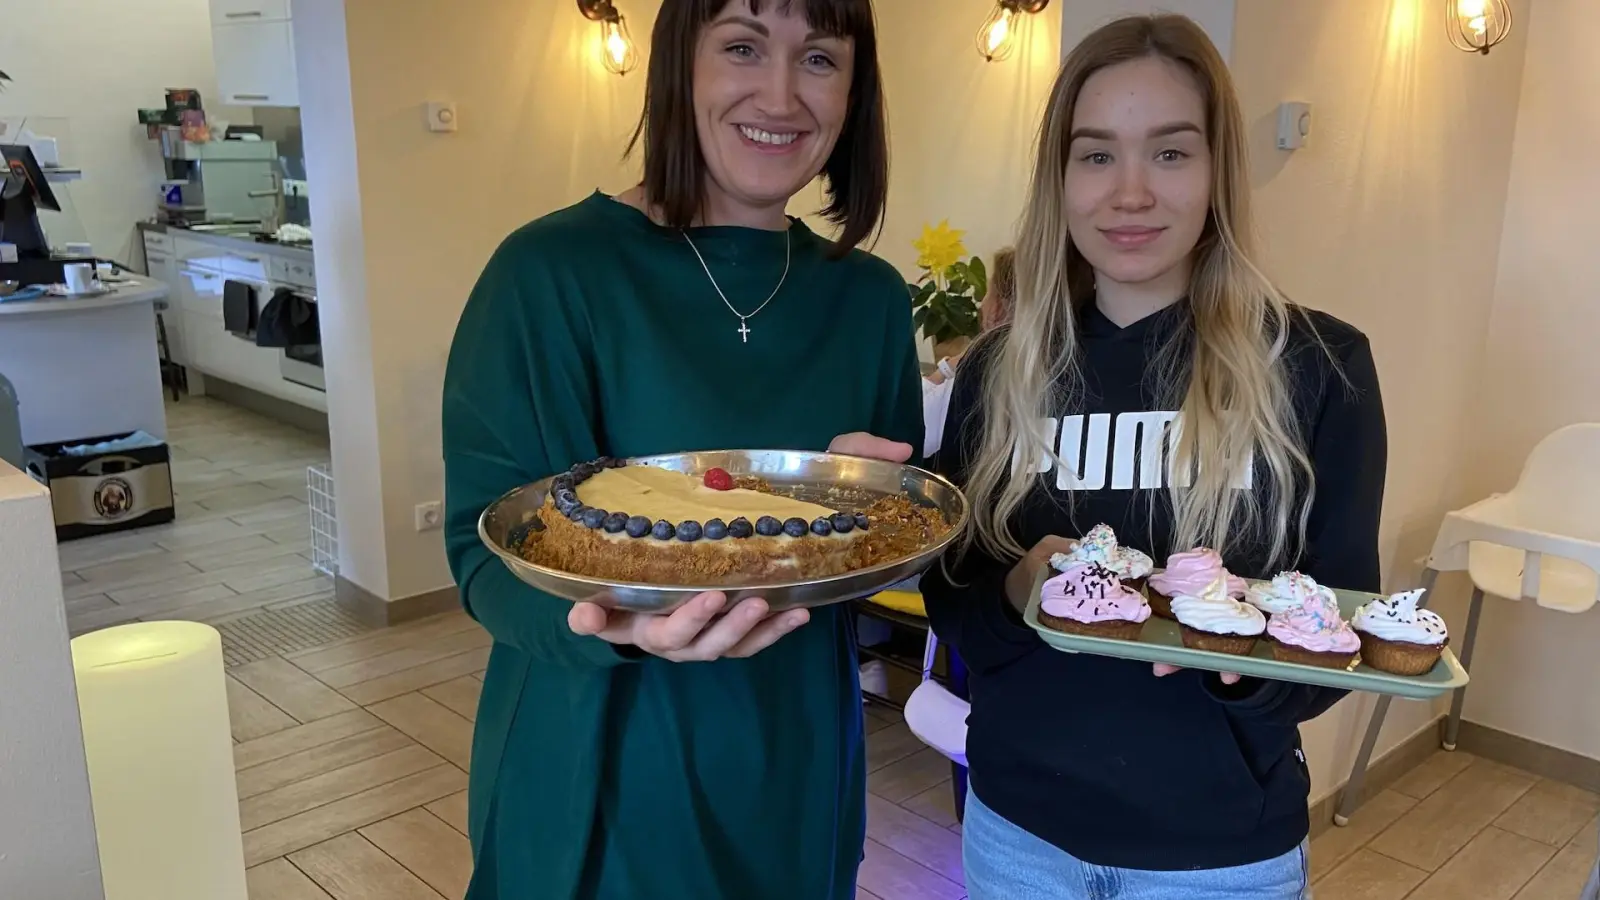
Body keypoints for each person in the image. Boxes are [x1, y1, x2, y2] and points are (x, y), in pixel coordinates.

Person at [439, 1, 920, 897]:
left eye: (820, 59)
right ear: (677, 67)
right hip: (599, 754)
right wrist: (618, 629)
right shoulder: (549, 273)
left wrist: (870, 514)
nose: (780, 94)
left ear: (855, 92)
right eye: (742, 47)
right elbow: (481, 547)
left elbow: (880, 547)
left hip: (795, 754)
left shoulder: (870, 300)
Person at [920, 14, 1386, 899]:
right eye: (1096, 155)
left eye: (1170, 153)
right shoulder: (997, 370)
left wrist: (1242, 667)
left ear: (1218, 171)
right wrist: (1017, 590)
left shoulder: (1322, 369)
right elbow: (952, 599)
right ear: (1059, 178)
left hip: (1223, 859)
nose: (1129, 193)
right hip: (1019, 835)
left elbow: (1343, 621)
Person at [921, 246, 1015, 458]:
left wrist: (942, 372)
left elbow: (915, 429)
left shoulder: (978, 372)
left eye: (989, 293)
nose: (982, 304)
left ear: (998, 308)